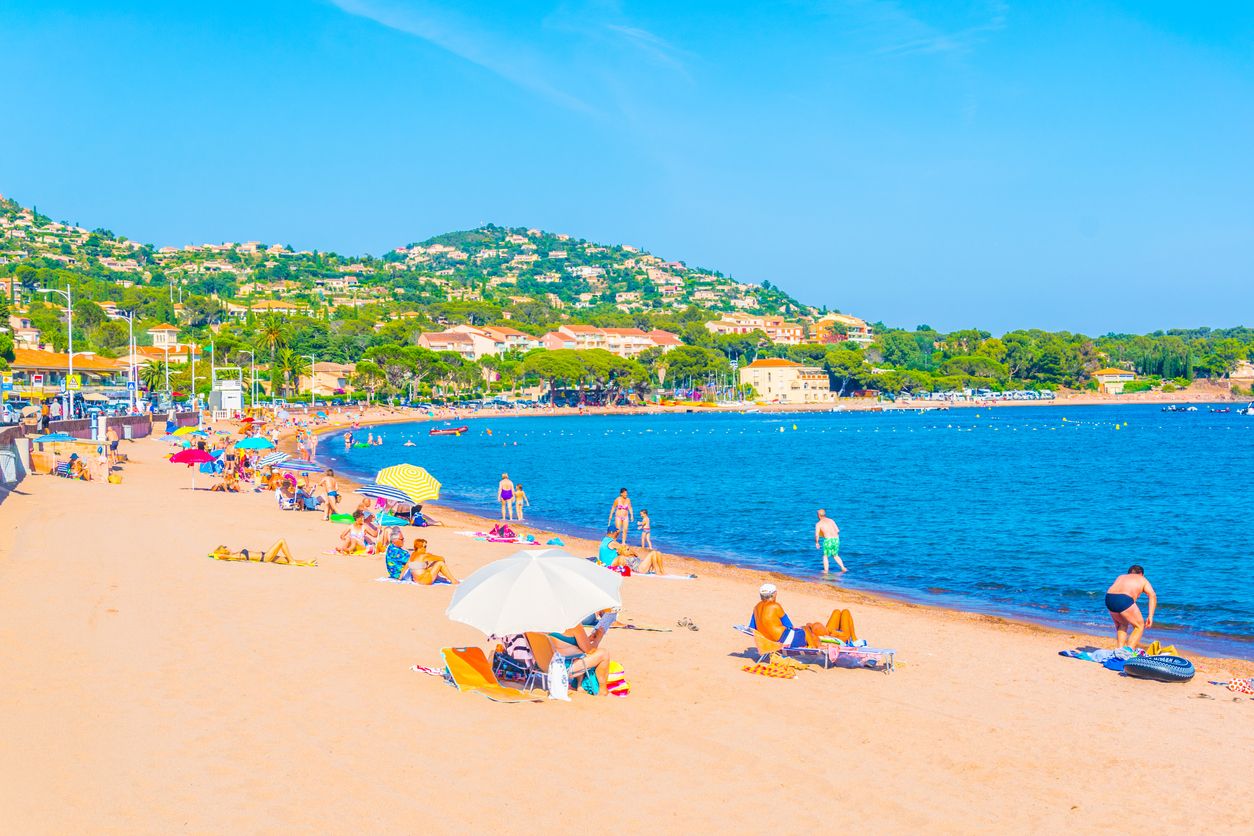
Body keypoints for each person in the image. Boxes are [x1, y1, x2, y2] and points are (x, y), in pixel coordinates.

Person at [749, 583, 859, 649]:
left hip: (775, 638)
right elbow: (789, 625)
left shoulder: (755, 608)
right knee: (844, 612)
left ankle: (853, 638)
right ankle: (853, 639)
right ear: (774, 594)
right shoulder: (775, 606)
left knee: (836, 613)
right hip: (786, 639)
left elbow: (752, 628)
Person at [550, 621, 611, 696]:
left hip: (546, 664)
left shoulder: (545, 623)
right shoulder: (573, 625)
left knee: (578, 654)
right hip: (564, 667)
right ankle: (603, 690)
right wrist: (599, 637)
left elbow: (565, 644)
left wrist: (588, 640)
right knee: (603, 654)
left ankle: (580, 685)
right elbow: (590, 651)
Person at [1105, 565, 1157, 649]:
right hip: (1124, 599)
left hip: (1109, 598)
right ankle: (1128, 652)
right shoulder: (1142, 579)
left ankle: (1119, 651)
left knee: (1122, 624)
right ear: (1141, 574)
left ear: (1129, 573)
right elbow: (1152, 595)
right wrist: (1150, 616)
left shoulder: (1121, 577)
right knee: (1139, 626)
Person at [211, 539, 299, 564]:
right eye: (225, 547)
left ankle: (308, 561)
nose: (227, 547)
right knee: (281, 541)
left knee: (286, 559)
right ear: (224, 551)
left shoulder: (235, 554)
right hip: (265, 557)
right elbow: (223, 556)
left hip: (265, 555)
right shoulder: (234, 556)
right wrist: (219, 555)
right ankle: (292, 561)